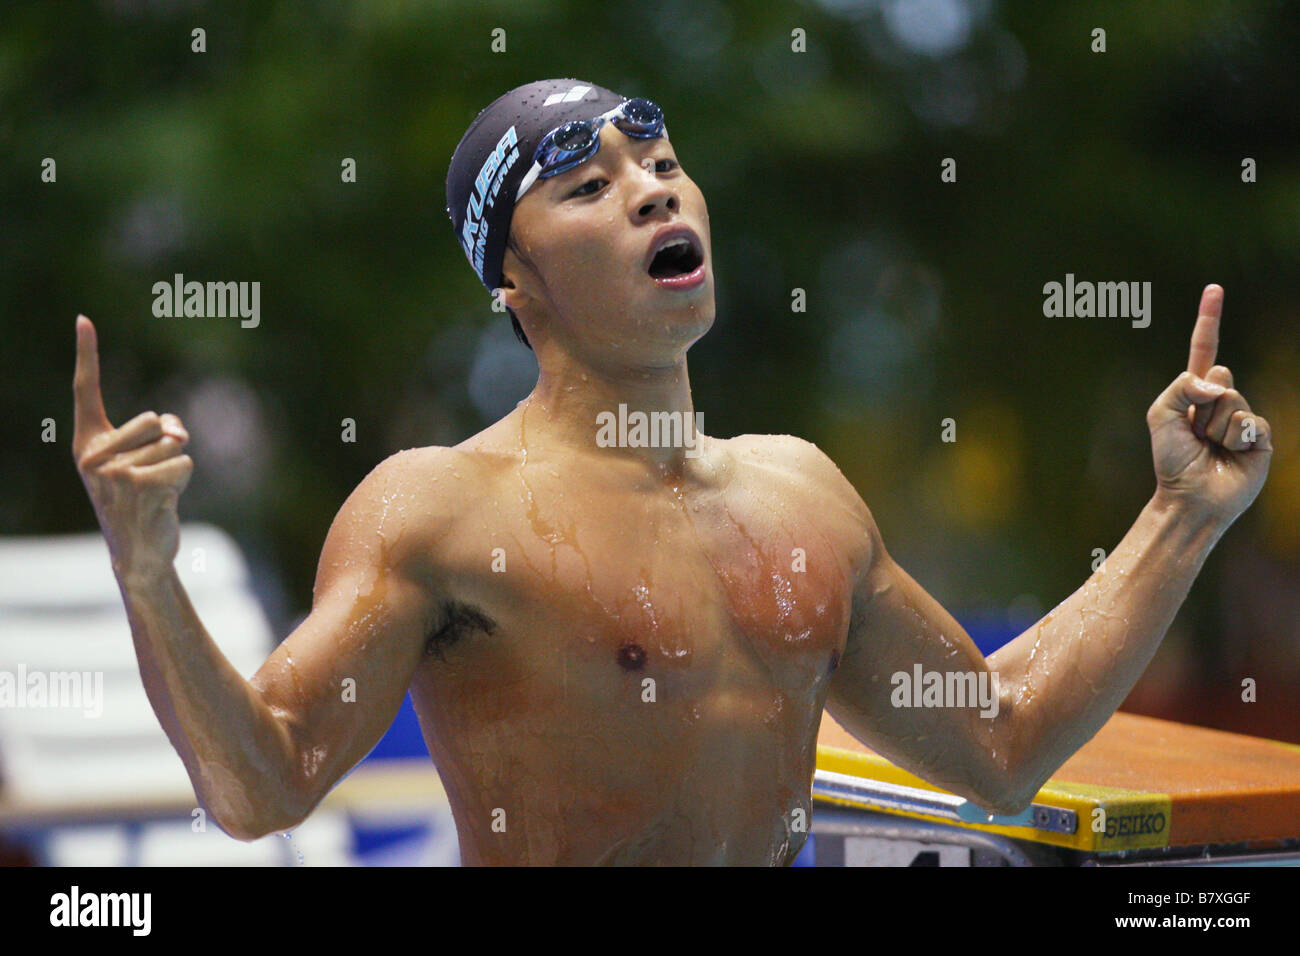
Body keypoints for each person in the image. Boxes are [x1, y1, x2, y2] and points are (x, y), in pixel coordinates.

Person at [71, 78, 1273, 865]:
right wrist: (148, 575)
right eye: (586, 187)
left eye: (657, 161)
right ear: (514, 282)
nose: (647, 186)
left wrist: (1178, 518)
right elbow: (262, 784)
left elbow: (999, 743)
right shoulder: (437, 508)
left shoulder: (799, 491)